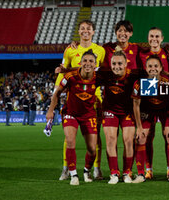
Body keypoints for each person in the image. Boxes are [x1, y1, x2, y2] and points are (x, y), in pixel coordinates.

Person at [55, 20, 105, 181]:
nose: (85, 31)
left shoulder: (100, 50)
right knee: (69, 137)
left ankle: (95, 168)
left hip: (94, 98)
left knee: (95, 137)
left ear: (93, 31)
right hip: (74, 98)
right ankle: (66, 168)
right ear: (78, 31)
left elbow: (103, 72)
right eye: (82, 28)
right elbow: (63, 71)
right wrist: (56, 90)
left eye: (88, 29)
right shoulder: (70, 49)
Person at [46, 50, 99, 186]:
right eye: (85, 61)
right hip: (71, 114)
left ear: (95, 64)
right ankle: (73, 174)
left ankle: (86, 170)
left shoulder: (98, 77)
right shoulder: (70, 76)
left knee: (92, 149)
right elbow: (57, 92)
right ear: (80, 62)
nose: (87, 63)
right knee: (70, 141)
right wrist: (51, 111)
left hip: (89, 115)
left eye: (91, 61)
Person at [131, 55, 169, 183]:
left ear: (161, 68)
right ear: (146, 68)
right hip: (148, 111)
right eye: (150, 66)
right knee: (141, 137)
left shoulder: (168, 82)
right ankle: (144, 173)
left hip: (165, 111)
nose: (153, 69)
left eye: (156, 66)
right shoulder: (140, 83)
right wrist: (139, 127)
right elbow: (136, 106)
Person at [96, 49, 138, 184]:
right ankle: (114, 173)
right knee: (110, 139)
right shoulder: (105, 74)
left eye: (120, 63)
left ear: (126, 63)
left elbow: (154, 73)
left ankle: (127, 172)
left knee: (129, 141)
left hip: (127, 112)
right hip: (110, 111)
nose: (116, 67)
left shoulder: (134, 75)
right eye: (114, 64)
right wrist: (65, 70)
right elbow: (85, 71)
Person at [138, 27, 169, 179]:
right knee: (148, 135)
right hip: (147, 101)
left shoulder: (168, 53)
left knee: (168, 135)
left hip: (165, 100)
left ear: (162, 38)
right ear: (148, 38)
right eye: (151, 36)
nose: (154, 39)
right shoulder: (141, 53)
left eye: (157, 36)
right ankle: (148, 169)